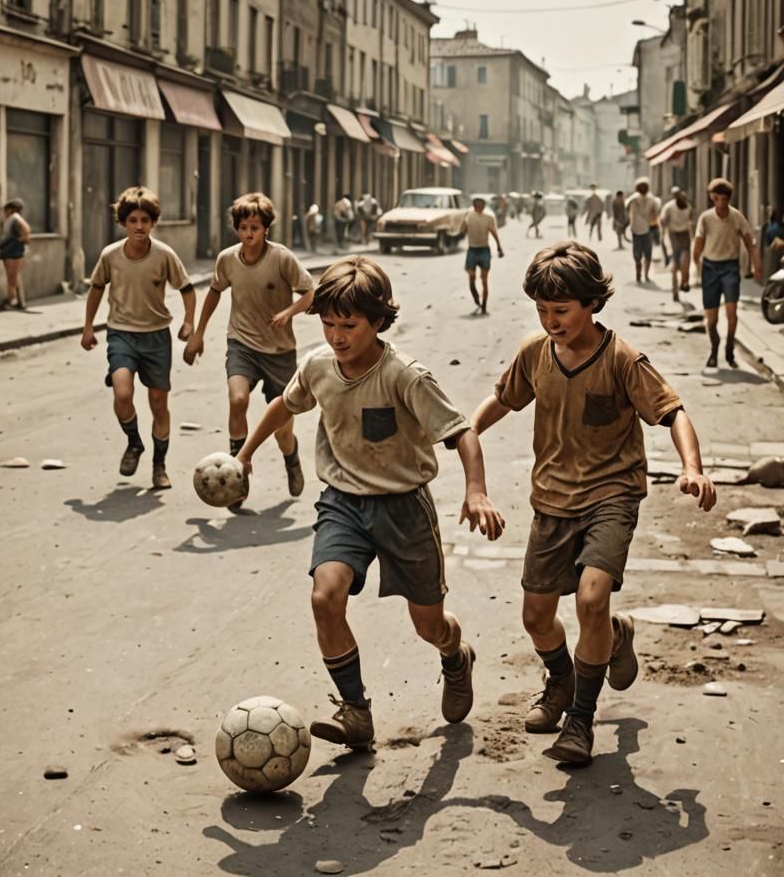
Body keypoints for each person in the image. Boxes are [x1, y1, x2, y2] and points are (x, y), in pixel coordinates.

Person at [235, 256, 505, 750]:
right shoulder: (318, 365)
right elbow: (285, 404)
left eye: (350, 325)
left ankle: (454, 655)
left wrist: (476, 490)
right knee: (325, 596)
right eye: (329, 323)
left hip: (404, 508)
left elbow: (461, 432)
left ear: (377, 322)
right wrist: (246, 453)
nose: (337, 336)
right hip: (343, 503)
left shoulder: (405, 376)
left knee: (428, 625)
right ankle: (356, 710)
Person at [471, 240, 716, 766]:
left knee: (589, 599)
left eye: (561, 310)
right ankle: (564, 678)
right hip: (552, 500)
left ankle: (580, 720)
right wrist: (464, 430)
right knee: (537, 616)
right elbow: (505, 399)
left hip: (612, 494)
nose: (551, 320)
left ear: (591, 304)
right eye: (542, 310)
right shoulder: (535, 353)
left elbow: (674, 413)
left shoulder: (623, 359)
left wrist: (692, 468)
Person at [183, 193, 314, 510]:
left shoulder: (282, 258)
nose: (249, 234)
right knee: (237, 400)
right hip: (241, 343)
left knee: (282, 431)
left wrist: (289, 312)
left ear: (266, 228)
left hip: (280, 351)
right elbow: (214, 293)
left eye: (255, 227)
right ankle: (238, 474)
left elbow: (310, 292)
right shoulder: (227, 259)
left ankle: (291, 457)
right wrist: (198, 334)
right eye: (243, 227)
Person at [81, 186, 197, 490]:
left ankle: (159, 465)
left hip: (157, 336)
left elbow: (186, 288)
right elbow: (96, 288)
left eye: (145, 220)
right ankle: (134, 442)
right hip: (121, 334)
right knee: (122, 393)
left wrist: (189, 323)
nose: (139, 226)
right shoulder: (110, 255)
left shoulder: (164, 255)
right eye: (132, 220)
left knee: (158, 401)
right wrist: (88, 327)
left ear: (154, 222)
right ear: (123, 222)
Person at [693, 177, 763, 369]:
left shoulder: (736, 217)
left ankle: (729, 348)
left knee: (732, 312)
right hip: (710, 268)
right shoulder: (706, 218)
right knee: (712, 318)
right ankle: (714, 348)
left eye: (725, 199)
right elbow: (698, 245)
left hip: (730, 268)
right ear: (712, 198)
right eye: (718, 199)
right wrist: (696, 269)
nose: (722, 203)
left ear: (729, 198)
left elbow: (751, 242)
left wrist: (757, 266)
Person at [462, 196, 505, 315]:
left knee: (484, 280)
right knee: (471, 278)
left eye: (481, 206)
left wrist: (499, 246)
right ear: (475, 206)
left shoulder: (488, 218)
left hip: (484, 251)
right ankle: (477, 299)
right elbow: (463, 230)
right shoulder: (469, 216)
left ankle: (484, 305)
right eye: (478, 206)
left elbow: (493, 232)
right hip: (472, 250)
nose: (480, 208)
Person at [660, 188, 695, 298]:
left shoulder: (674, 206)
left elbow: (663, 221)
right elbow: (690, 220)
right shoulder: (684, 206)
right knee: (681, 261)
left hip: (678, 235)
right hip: (676, 235)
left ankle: (680, 285)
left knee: (679, 261)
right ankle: (681, 284)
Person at [625, 178, 660, 283]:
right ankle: (646, 275)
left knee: (637, 253)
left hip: (635, 229)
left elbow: (626, 205)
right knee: (648, 253)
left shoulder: (633, 199)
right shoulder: (652, 199)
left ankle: (638, 272)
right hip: (648, 229)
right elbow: (657, 208)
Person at [0, 198, 31, 309]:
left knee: (11, 276)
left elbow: (26, 231)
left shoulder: (14, 218)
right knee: (15, 276)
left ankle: (9, 299)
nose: (4, 213)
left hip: (12, 251)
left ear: (10, 210)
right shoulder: (14, 219)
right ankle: (21, 301)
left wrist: (17, 241)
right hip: (12, 250)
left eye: (6, 210)